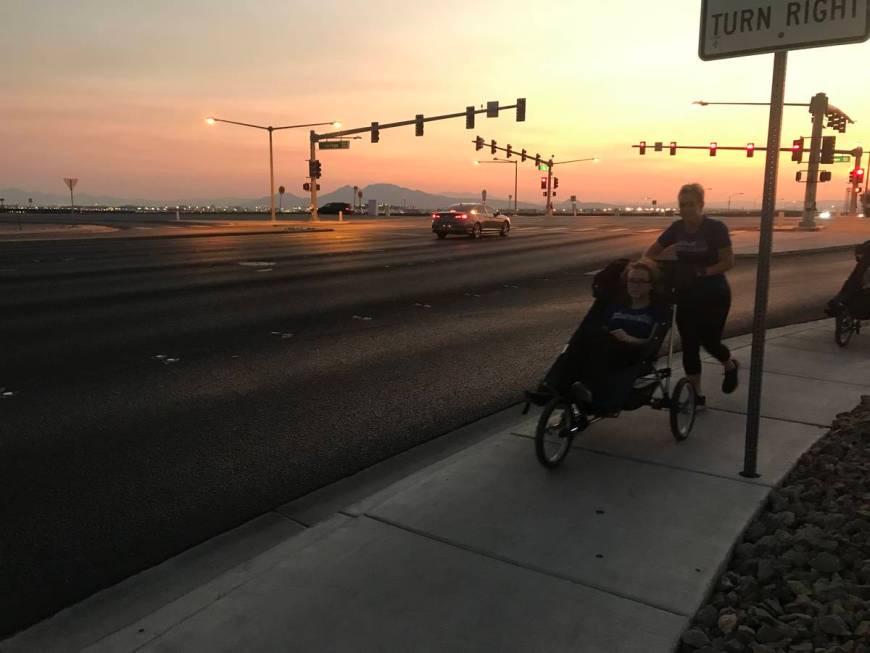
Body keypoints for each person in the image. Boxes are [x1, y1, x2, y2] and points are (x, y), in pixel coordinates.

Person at [644, 183, 738, 406]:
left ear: (701, 205)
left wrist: (702, 272)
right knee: (689, 343)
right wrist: (647, 269)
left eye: (691, 205)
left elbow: (728, 262)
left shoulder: (716, 228)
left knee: (710, 342)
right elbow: (652, 252)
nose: (686, 209)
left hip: (714, 293)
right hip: (685, 293)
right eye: (682, 205)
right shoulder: (677, 228)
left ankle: (729, 364)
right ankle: (696, 393)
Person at [567, 259, 667, 413]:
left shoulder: (655, 311)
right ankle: (559, 387)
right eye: (631, 281)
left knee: (604, 351)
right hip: (606, 346)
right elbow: (603, 327)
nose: (635, 286)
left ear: (651, 285)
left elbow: (652, 341)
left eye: (641, 281)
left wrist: (630, 339)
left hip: (634, 353)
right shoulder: (617, 306)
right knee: (578, 346)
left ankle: (588, 388)